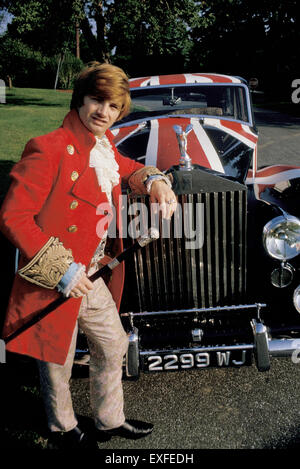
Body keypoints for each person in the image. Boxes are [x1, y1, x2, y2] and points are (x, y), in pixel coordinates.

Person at [0, 62, 177, 448]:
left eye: (114, 106)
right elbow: (13, 217)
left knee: (113, 343)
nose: (104, 112)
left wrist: (155, 179)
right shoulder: (47, 148)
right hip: (55, 278)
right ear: (80, 99)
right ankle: (61, 427)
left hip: (93, 274)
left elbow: (122, 168)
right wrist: (62, 270)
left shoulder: (102, 145)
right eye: (98, 100)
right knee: (56, 361)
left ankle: (108, 419)